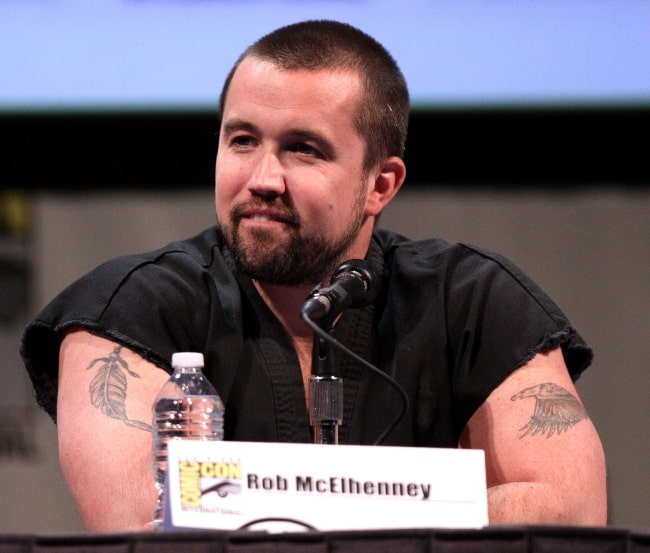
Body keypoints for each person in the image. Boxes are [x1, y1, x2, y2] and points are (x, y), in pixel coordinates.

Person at [20, 20, 607, 532]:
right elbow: (145, 526)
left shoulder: (473, 300)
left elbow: (569, 510)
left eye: (304, 149)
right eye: (242, 140)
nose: (263, 178)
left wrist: (290, 511)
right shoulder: (127, 309)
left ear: (381, 184)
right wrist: (414, 507)